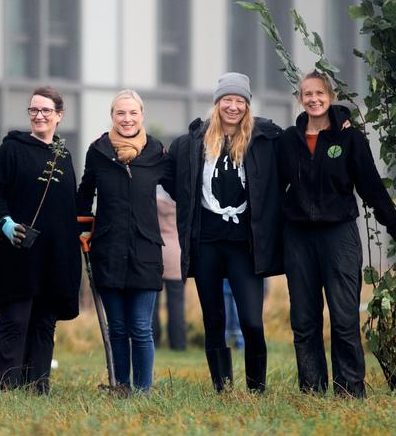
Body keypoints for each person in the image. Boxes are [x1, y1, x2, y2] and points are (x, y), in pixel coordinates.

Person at [279, 71, 396, 398]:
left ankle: (349, 390)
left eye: (319, 93)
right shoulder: (288, 142)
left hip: (339, 237)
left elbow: (373, 190)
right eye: (307, 94)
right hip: (298, 239)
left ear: (330, 96)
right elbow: (273, 191)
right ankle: (312, 389)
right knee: (304, 321)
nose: (313, 99)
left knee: (344, 317)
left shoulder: (350, 140)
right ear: (300, 98)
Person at [168, 72, 284, 393]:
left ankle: (256, 389)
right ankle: (223, 388)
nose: (233, 107)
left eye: (239, 101)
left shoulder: (263, 140)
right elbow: (170, 178)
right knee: (214, 321)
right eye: (227, 100)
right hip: (206, 243)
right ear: (217, 103)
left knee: (251, 321)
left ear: (247, 106)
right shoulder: (192, 142)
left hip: (245, 246)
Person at [0, 86, 81, 395]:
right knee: (16, 320)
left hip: (53, 258)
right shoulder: (10, 151)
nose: (39, 116)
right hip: (16, 254)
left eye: (46, 111)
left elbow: (68, 208)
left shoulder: (63, 158)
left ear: (59, 116)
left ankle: (37, 387)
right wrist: (5, 223)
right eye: (34, 110)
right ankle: (1, 386)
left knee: (44, 324)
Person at [77, 89, 170, 394]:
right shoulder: (99, 151)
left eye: (133, 113)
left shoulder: (156, 152)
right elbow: (85, 191)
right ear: (112, 116)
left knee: (141, 328)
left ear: (142, 115)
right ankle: (122, 387)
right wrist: (82, 226)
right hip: (108, 249)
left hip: (145, 249)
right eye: (121, 113)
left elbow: (181, 188)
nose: (127, 119)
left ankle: (143, 390)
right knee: (117, 329)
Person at [151, 186, 187, 351]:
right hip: (176, 254)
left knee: (153, 304)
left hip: (158, 252)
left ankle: (153, 340)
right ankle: (178, 343)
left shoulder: (155, 199)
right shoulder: (178, 200)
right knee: (176, 304)